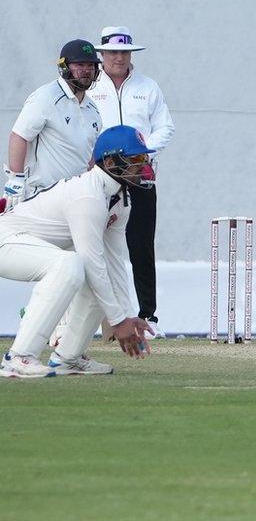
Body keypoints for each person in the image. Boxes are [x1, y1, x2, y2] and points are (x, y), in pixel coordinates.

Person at [0, 125, 155, 378]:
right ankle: (18, 357)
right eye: (135, 158)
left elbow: (113, 262)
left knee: (94, 277)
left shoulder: (120, 200)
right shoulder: (88, 195)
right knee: (71, 265)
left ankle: (68, 358)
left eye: (144, 159)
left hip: (30, 246)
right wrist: (117, 322)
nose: (143, 166)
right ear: (110, 160)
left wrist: (127, 315)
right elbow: (91, 261)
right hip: (5, 241)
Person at [89, 26, 175, 337]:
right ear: (102, 55)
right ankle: (103, 319)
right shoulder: (90, 87)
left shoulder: (147, 87)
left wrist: (140, 151)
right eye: (112, 53)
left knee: (140, 244)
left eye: (124, 53)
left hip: (139, 175)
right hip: (100, 176)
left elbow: (166, 127)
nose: (119, 58)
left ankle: (147, 317)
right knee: (93, 244)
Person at [4, 39, 103, 213]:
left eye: (91, 65)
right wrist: (16, 179)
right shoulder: (46, 97)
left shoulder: (92, 109)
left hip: (78, 198)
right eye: (79, 65)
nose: (86, 71)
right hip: (43, 195)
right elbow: (18, 136)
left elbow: (89, 156)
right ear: (65, 67)